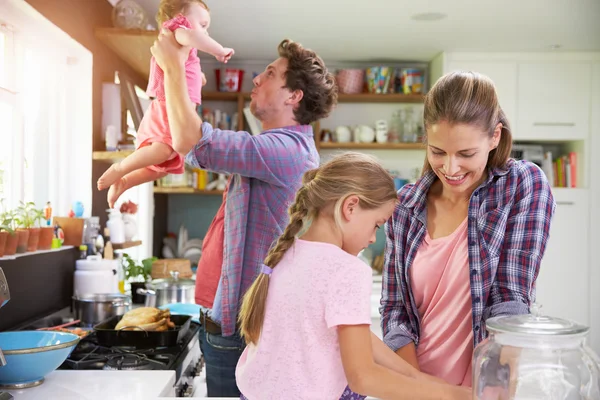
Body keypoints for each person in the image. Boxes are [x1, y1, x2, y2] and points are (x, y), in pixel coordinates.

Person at [150, 33, 338, 397]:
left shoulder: (287, 150)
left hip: (240, 330)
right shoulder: (274, 148)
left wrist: (174, 66)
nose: (256, 79)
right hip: (228, 324)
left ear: (293, 95)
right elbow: (188, 140)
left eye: (269, 73)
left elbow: (193, 142)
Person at [235, 152, 471, 400]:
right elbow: (363, 378)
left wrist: (417, 378)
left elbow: (356, 338)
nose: (372, 238)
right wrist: (451, 396)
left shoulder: (284, 254)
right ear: (350, 207)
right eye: (376, 225)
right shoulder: (347, 270)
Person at [380, 71, 556, 386]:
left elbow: (510, 295)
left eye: (466, 154)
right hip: (413, 385)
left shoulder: (522, 185)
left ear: (494, 137)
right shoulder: (405, 205)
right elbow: (395, 312)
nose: (450, 168)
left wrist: (491, 388)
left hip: (483, 384)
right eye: (438, 151)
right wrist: (421, 388)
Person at [97, 0, 234, 207]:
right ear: (180, 18)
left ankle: (126, 181)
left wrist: (200, 78)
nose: (204, 32)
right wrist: (218, 50)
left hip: (177, 111)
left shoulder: (184, 50)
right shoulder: (176, 32)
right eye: (203, 25)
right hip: (167, 106)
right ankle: (120, 168)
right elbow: (193, 36)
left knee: (165, 163)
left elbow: (189, 71)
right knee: (161, 151)